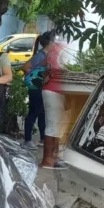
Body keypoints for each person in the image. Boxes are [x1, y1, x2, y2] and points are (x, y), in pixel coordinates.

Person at [20, 32, 52, 149]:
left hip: (43, 88)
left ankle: (43, 138)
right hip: (36, 88)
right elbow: (25, 67)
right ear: (51, 42)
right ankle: (27, 140)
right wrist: (35, 77)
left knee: (42, 114)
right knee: (34, 113)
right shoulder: (40, 55)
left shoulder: (47, 55)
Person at [40, 37, 67, 169]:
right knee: (53, 126)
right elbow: (68, 69)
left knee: (54, 125)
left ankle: (53, 158)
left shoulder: (54, 47)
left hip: (49, 89)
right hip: (56, 90)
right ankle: (48, 160)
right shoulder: (66, 48)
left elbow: (43, 66)